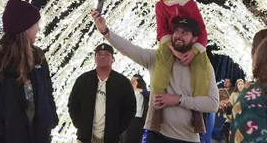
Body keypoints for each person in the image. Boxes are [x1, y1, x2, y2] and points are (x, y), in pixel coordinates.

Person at [91, 9, 219, 143]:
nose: (178, 35)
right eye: (176, 31)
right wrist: (106, 31)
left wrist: (178, 99)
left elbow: (213, 104)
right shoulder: (157, 58)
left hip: (188, 138)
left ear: (194, 39)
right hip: (157, 135)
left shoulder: (204, 68)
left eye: (185, 32)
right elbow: (130, 49)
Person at [0, 0, 58, 143]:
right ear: (24, 28)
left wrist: (50, 120)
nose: (38, 28)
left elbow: (48, 92)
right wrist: (1, 134)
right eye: (35, 24)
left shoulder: (39, 58)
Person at [152, 0, 210, 132]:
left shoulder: (189, 3)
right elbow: (161, 30)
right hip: (171, 43)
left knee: (201, 68)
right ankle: (157, 109)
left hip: (191, 42)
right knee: (161, 63)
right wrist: (172, 48)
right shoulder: (161, 5)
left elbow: (202, 28)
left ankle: (197, 114)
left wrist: (194, 51)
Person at [68, 43, 136, 143]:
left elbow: (130, 108)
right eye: (99, 54)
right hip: (85, 137)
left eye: (106, 54)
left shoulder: (122, 82)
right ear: (95, 59)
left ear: (113, 59)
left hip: (111, 137)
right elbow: (73, 104)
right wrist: (81, 126)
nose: (102, 57)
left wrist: (118, 129)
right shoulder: (83, 80)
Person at [123, 75, 150, 143]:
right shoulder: (130, 92)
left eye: (133, 81)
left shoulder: (141, 93)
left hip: (136, 120)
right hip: (130, 120)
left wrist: (139, 90)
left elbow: (150, 95)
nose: (131, 83)